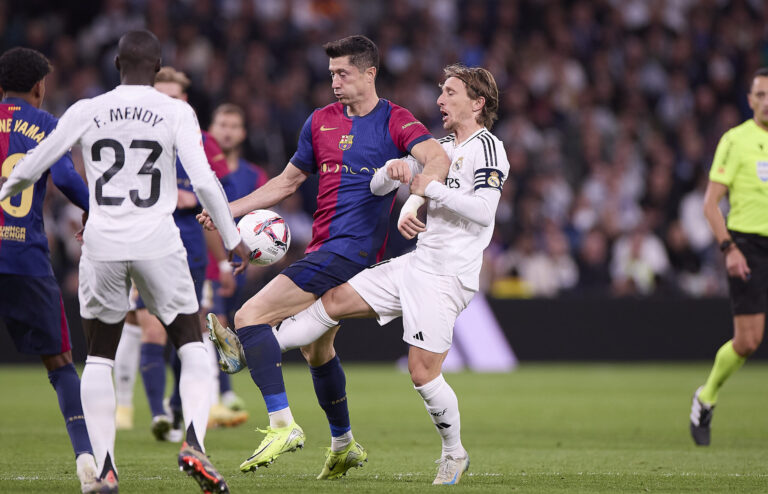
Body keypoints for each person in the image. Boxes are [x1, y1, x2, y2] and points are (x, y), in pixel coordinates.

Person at [0, 30, 250, 494]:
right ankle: (194, 442)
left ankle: (108, 469)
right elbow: (208, 184)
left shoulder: (85, 109)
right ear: (157, 68)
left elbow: (31, 167)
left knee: (98, 356)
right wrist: (234, 239)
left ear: (116, 63)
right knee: (191, 344)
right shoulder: (176, 110)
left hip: (102, 244)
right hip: (158, 240)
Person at [199, 34, 451, 478]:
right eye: (331, 73)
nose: (334, 81)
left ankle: (281, 423)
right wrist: (227, 211)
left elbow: (436, 157)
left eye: (343, 73)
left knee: (249, 316)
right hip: (324, 247)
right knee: (318, 352)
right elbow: (285, 183)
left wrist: (415, 199)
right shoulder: (320, 121)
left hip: (350, 252)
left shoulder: (396, 120)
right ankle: (344, 444)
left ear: (370, 73)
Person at [251, 63, 506, 485]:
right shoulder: (437, 146)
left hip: (448, 276)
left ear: (477, 103)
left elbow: (484, 212)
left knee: (423, 373)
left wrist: (428, 189)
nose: (440, 100)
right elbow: (379, 188)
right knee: (332, 302)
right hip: (417, 262)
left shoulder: (488, 148)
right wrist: (394, 179)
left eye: (450, 93)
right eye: (440, 91)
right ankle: (251, 346)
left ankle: (454, 452)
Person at [112, 67, 247, 441]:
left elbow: (225, 191)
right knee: (150, 328)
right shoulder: (134, 137)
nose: (167, 103)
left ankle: (174, 408)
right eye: (162, 96)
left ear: (185, 100)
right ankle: (157, 414)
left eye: (174, 97)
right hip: (144, 245)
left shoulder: (202, 140)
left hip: (192, 252)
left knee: (187, 332)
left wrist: (197, 202)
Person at [0, 46, 100, 494]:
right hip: (25, 258)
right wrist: (97, 211)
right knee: (60, 364)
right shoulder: (44, 124)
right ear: (40, 86)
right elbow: (65, 180)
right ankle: (86, 461)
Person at [690, 67, 768, 446]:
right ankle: (706, 397)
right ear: (750, 99)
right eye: (760, 95)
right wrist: (729, 248)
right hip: (748, 246)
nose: (766, 102)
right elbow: (710, 204)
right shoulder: (735, 140)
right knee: (748, 342)